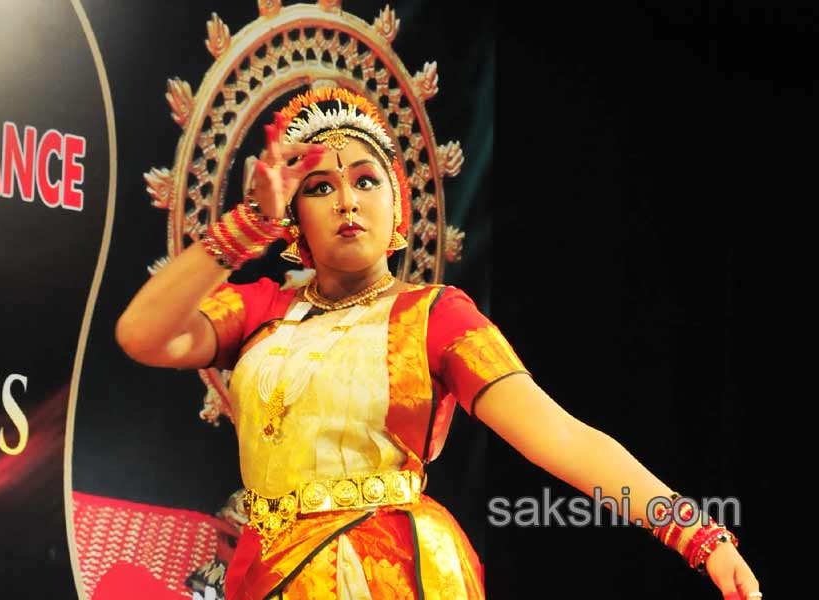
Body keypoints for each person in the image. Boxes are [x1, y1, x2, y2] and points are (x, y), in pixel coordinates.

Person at [115, 88, 761, 599]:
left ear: (398, 207)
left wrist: (698, 536)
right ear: (295, 218)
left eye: (367, 181)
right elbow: (142, 336)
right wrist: (245, 227)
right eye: (320, 187)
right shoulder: (261, 307)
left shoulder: (434, 315)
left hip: (389, 571)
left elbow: (562, 437)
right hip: (266, 569)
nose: (347, 200)